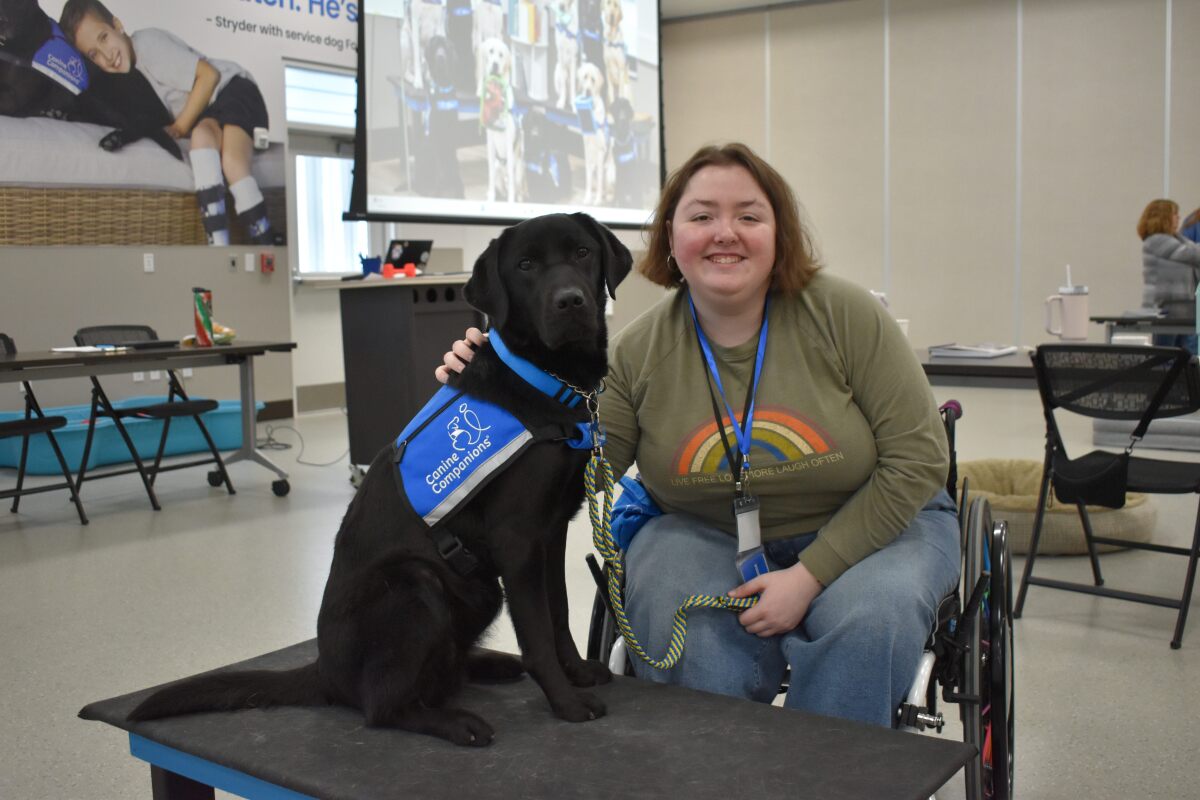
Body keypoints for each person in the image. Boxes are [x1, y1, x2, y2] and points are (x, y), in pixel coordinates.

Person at [437, 143, 959, 728]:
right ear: (670, 237)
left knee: (870, 622)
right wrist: (497, 389)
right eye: (702, 215)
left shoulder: (847, 315)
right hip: (703, 529)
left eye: (749, 216)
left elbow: (916, 459)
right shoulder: (637, 351)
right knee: (674, 611)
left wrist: (810, 575)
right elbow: (575, 467)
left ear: (778, 233)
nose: (725, 233)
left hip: (878, 525)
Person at [61, 0, 273, 246]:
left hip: (232, 90)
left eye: (104, 38)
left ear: (117, 25)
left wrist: (180, 127)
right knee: (201, 140)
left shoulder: (148, 44)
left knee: (232, 163)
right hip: (209, 110)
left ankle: (265, 243)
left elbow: (209, 76)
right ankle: (218, 243)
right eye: (94, 54)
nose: (106, 56)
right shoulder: (134, 71)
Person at [1138, 198, 1200, 353]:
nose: (1178, 218)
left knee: (1187, 359)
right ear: (1163, 217)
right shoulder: (1155, 240)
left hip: (1185, 311)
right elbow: (1191, 254)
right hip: (1164, 311)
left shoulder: (1179, 239)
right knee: (1165, 356)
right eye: (1174, 214)